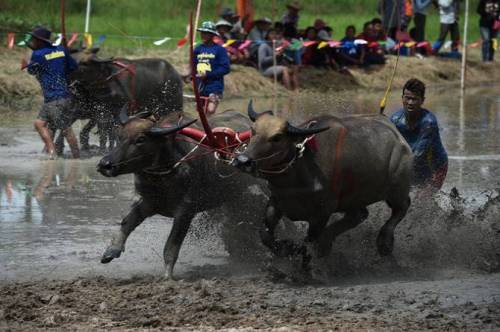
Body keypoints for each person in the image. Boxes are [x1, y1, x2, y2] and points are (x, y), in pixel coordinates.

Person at [22, 26, 80, 159]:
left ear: (39, 41)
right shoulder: (62, 50)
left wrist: (26, 64)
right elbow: (73, 67)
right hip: (63, 96)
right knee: (40, 124)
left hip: (54, 98)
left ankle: (60, 155)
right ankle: (57, 152)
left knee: (65, 129)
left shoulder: (38, 54)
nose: (32, 42)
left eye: (33, 39)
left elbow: (32, 71)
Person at [390, 79, 448, 192]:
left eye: (414, 99)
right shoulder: (395, 120)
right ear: (402, 98)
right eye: (407, 98)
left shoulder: (429, 123)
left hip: (434, 168)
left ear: (422, 101)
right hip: (411, 166)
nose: (410, 102)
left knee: (423, 203)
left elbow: (418, 155)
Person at [193, 21, 230, 115]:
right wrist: (190, 75)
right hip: (200, 86)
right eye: (202, 33)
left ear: (212, 35)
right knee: (200, 111)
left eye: (206, 33)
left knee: (210, 110)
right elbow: (193, 65)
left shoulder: (220, 50)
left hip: (214, 85)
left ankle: (209, 128)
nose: (203, 35)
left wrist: (208, 74)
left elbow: (225, 68)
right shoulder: (197, 49)